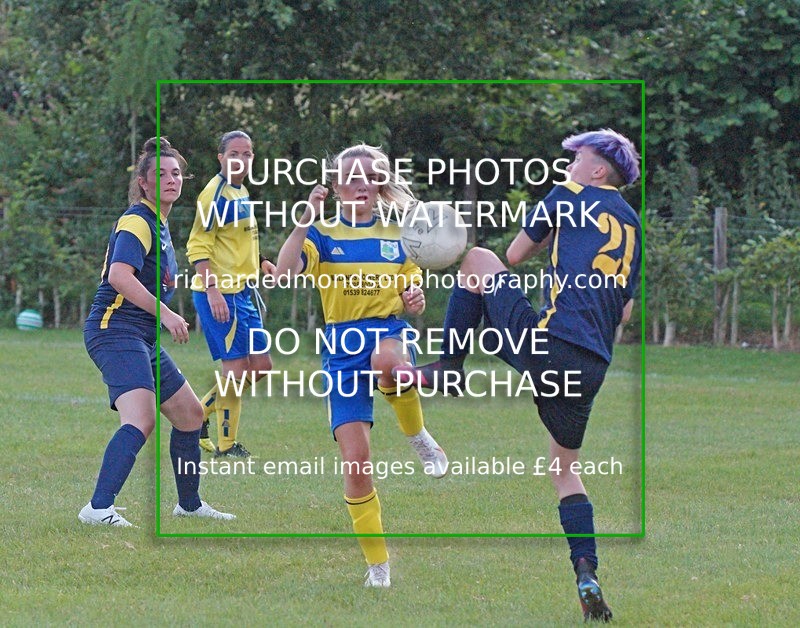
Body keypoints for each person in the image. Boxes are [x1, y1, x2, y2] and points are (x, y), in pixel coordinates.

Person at [399, 129, 641, 621]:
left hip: (552, 348)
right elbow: (625, 313)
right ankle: (586, 570)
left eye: (578, 158)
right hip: (593, 366)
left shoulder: (568, 195)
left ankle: (449, 367)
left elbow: (510, 255)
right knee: (564, 469)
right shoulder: (633, 222)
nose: (568, 164)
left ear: (598, 171)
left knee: (476, 261)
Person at [275, 144, 449, 588]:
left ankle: (418, 436)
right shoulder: (322, 232)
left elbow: (415, 298)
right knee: (357, 463)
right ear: (333, 187)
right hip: (340, 347)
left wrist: (415, 300)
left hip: (386, 331)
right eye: (349, 177)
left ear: (378, 185)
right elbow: (283, 272)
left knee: (388, 359)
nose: (359, 184)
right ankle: (378, 566)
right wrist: (303, 221)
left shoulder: (400, 234)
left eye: (368, 177)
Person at [80, 137, 234, 526]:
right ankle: (97, 509)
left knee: (189, 414)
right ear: (144, 184)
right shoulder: (137, 220)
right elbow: (119, 276)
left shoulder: (160, 224)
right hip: (114, 330)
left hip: (140, 336)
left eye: (177, 173)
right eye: (161, 174)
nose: (172, 180)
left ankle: (190, 505)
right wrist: (166, 312)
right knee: (140, 419)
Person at [186, 130, 275, 458]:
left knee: (262, 365)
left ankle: (196, 415)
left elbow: (238, 240)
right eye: (234, 153)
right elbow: (199, 245)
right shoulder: (214, 194)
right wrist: (212, 290)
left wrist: (262, 262)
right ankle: (225, 444)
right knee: (235, 372)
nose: (242, 159)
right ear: (221, 157)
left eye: (248, 154)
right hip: (220, 295)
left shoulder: (241, 191)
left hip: (243, 293)